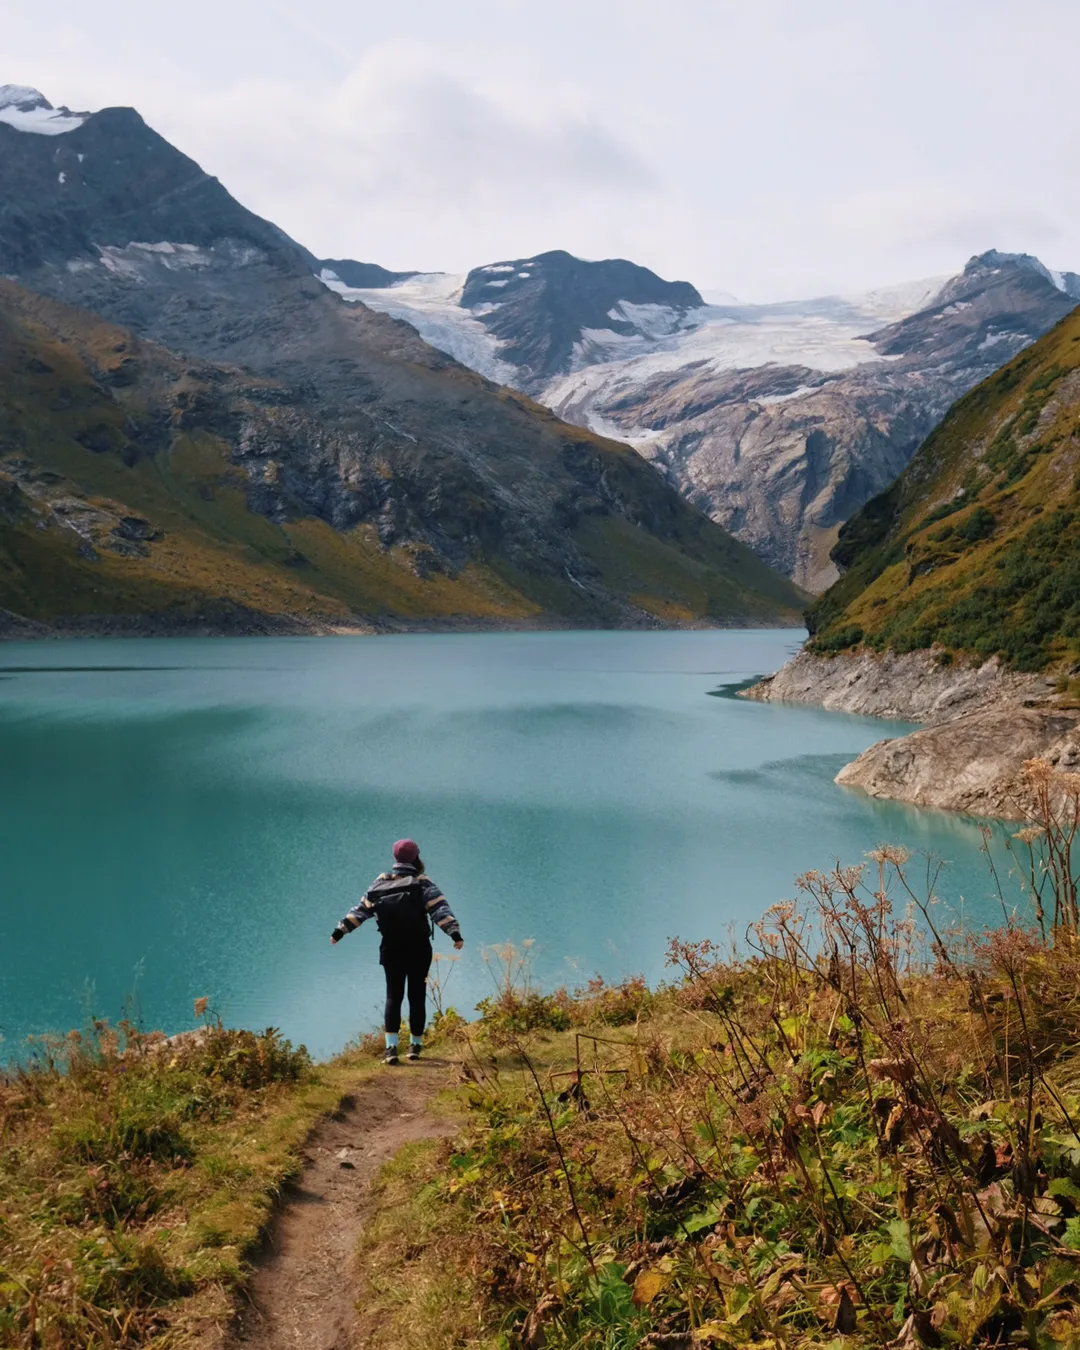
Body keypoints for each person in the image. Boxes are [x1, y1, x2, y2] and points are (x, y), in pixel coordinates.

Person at [331, 839, 463, 1065]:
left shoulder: (380, 882)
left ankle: (391, 1049)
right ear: (416, 857)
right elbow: (440, 909)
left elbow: (361, 910)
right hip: (419, 947)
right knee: (416, 996)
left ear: (395, 859)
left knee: (393, 996)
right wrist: (454, 933)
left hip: (391, 947)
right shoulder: (422, 882)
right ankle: (415, 1047)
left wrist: (340, 931)